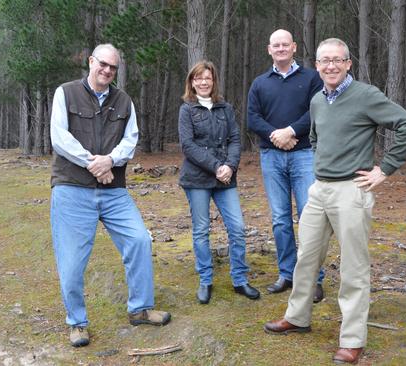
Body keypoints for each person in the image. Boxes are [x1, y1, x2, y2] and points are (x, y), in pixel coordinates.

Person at [263, 38, 406, 365]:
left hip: (352, 190)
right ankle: (298, 317)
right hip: (319, 190)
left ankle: (352, 340)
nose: (330, 66)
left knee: (353, 267)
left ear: (349, 63)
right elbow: (317, 137)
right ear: (317, 66)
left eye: (337, 60)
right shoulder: (318, 100)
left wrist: (385, 169)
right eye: (324, 61)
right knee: (306, 258)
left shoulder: (365, 95)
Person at [50, 44, 171, 348]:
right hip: (72, 188)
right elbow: (60, 138)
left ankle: (140, 309)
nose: (106, 70)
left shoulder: (124, 100)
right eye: (102, 64)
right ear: (91, 61)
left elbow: (130, 141)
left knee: (139, 239)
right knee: (72, 259)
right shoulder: (65, 93)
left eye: (112, 67)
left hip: (113, 190)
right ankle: (77, 323)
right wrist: (95, 163)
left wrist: (110, 161)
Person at [247, 29, 326, 303]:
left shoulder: (311, 78)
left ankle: (313, 278)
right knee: (280, 219)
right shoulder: (259, 83)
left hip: (304, 155)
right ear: (269, 49)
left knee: (309, 216)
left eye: (285, 44)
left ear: (293, 47)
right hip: (271, 156)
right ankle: (287, 274)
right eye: (275, 45)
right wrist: (276, 136)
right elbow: (252, 118)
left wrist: (291, 131)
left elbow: (317, 112)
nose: (280, 48)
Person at [178, 61, 260, 304]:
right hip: (197, 179)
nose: (203, 82)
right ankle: (205, 280)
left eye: (208, 78)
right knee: (202, 231)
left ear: (214, 81)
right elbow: (188, 145)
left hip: (226, 179)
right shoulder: (187, 110)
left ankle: (240, 279)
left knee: (237, 228)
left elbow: (236, 140)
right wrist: (216, 167)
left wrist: (230, 166)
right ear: (192, 82)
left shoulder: (225, 108)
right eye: (199, 78)